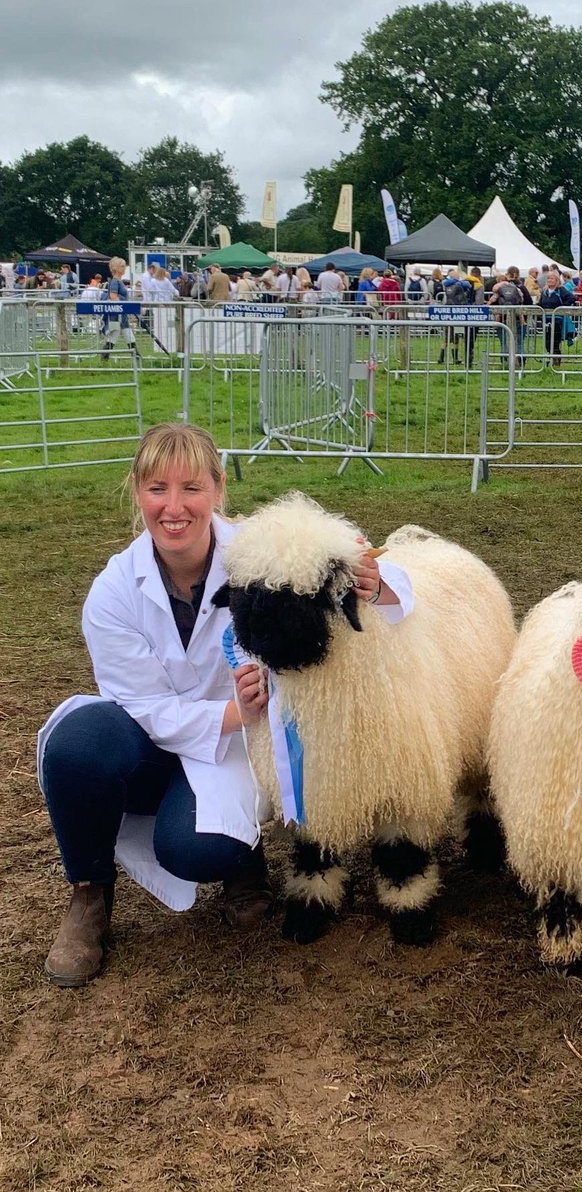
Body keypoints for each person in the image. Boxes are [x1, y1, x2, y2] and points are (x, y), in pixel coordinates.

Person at [37, 423, 406, 987]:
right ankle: (89, 895)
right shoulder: (114, 590)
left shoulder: (260, 551)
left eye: (192, 488)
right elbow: (138, 703)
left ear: (218, 489)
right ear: (137, 491)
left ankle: (241, 857)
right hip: (155, 740)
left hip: (241, 748)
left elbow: (376, 572)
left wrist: (373, 582)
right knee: (77, 747)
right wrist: (230, 713)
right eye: (157, 488)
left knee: (195, 849)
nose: (174, 507)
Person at [538, 269, 575, 364]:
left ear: (557, 280)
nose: (550, 280)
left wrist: (561, 307)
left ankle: (556, 360)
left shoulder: (561, 290)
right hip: (546, 319)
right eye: (548, 278)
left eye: (552, 278)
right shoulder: (545, 291)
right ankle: (551, 357)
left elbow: (572, 298)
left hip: (557, 320)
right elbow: (541, 303)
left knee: (555, 341)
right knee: (547, 341)